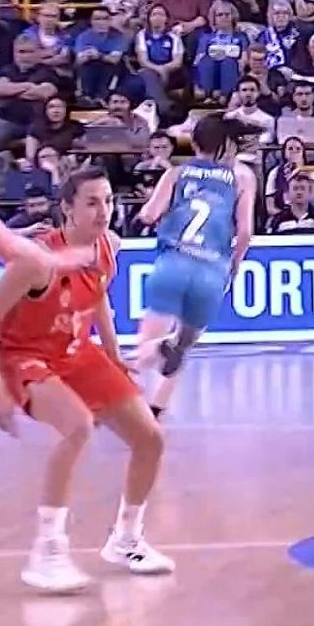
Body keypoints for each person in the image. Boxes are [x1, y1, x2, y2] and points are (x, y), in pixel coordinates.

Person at [0, 168, 173, 593]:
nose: (104, 212)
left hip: (75, 351)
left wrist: (115, 356)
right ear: (66, 208)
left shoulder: (108, 246)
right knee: (78, 426)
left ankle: (126, 539)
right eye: (92, 202)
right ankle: (47, 550)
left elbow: (98, 297)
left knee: (150, 438)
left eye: (109, 201)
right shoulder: (37, 261)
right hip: (24, 356)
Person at [132, 116, 259, 417]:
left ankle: (126, 402)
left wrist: (159, 210)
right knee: (184, 345)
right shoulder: (242, 177)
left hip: (174, 260)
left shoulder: (177, 173)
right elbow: (245, 233)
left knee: (145, 346)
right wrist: (235, 265)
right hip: (213, 267)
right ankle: (156, 408)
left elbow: (148, 215)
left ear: (194, 143)